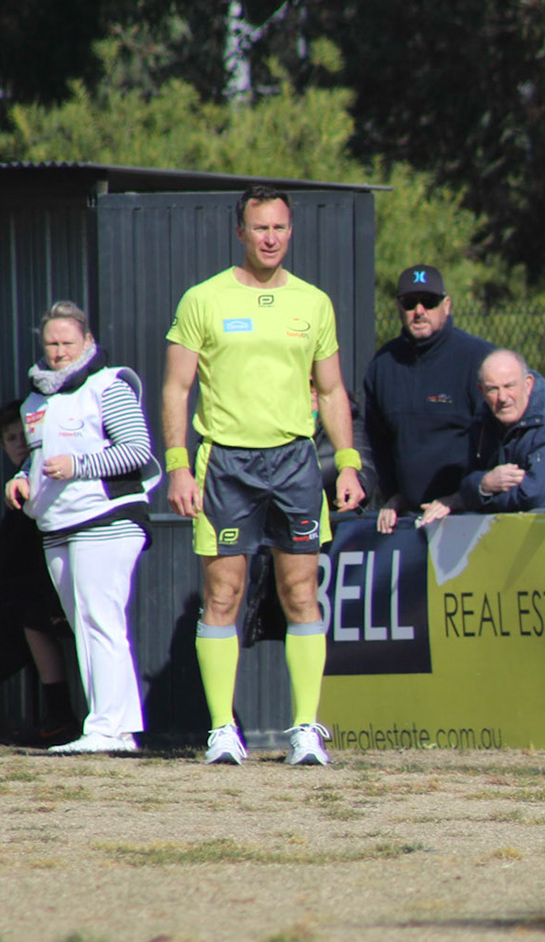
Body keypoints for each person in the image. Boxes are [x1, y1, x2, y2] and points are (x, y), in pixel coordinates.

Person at [161, 184, 367, 766]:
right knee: (223, 594)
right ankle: (222, 730)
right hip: (226, 464)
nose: (270, 238)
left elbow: (332, 391)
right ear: (241, 232)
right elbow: (176, 388)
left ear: (289, 231)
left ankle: (305, 729)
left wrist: (348, 463)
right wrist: (178, 467)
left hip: (295, 463)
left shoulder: (314, 303)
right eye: (260, 228)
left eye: (279, 227)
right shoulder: (203, 299)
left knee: (301, 592)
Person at [7, 302, 155, 754]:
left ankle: (109, 727)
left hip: (106, 517)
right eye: (51, 343)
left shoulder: (109, 385)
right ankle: (114, 727)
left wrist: (80, 465)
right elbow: (37, 456)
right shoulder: (35, 400)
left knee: (100, 619)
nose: (59, 351)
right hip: (56, 524)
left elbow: (138, 450)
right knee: (84, 623)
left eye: (68, 342)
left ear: (87, 341)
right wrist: (20, 478)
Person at [0, 401, 75, 746]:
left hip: (48, 593)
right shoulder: (17, 491)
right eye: (10, 438)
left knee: (27, 618)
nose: (19, 444)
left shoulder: (47, 482)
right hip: (11, 599)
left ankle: (58, 717)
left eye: (23, 436)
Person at [363, 264, 495, 533]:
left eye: (429, 301)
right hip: (406, 521)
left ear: (447, 305)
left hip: (469, 519)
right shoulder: (383, 365)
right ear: (399, 307)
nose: (419, 310)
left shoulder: (478, 359)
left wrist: (461, 498)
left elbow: (497, 442)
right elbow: (375, 441)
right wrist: (393, 495)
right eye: (410, 303)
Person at [416, 350, 545, 523]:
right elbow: (468, 480)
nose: (502, 398)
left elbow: (537, 496)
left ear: (528, 383)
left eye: (509, 386)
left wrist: (479, 499)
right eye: (493, 389)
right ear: (481, 391)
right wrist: (484, 484)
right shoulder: (483, 417)